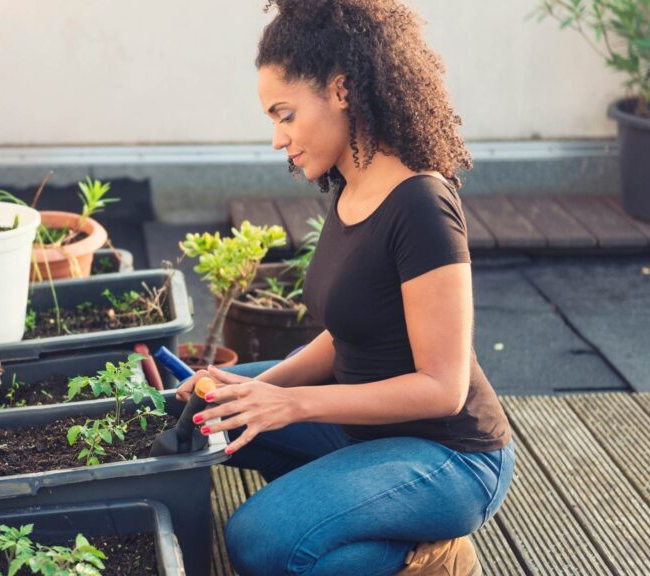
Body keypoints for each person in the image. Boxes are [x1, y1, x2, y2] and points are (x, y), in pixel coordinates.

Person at [175, 1, 515, 574]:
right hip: (365, 430)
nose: (277, 138)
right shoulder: (350, 188)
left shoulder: (422, 205)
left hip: (448, 457)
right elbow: (345, 336)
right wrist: (249, 389)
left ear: (341, 89)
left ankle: (431, 555)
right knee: (210, 410)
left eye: (284, 114)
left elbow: (442, 388)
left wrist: (290, 403)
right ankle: (349, 504)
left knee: (258, 541)